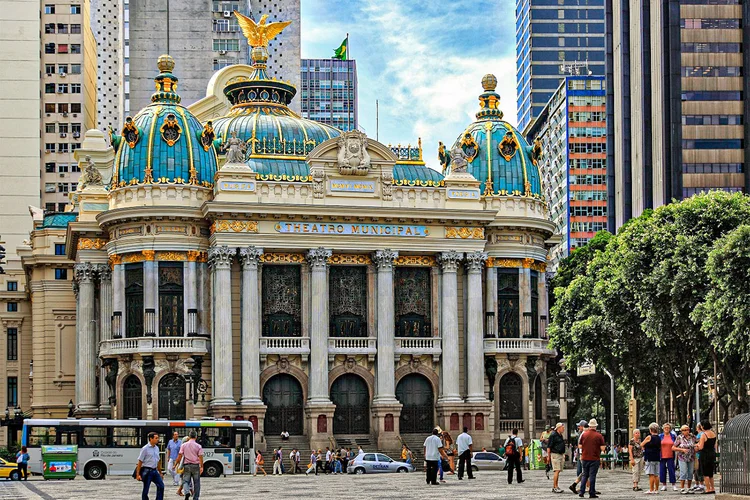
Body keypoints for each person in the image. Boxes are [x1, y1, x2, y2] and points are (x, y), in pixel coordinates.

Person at [578, 418, 605, 499]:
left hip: (585, 457)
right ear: (596, 426)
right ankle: (591, 492)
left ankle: (582, 492)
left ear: (589, 426)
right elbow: (603, 448)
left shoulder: (584, 435)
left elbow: (579, 446)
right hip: (594, 458)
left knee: (585, 475)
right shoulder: (599, 436)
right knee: (592, 475)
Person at [135, 431, 165, 500]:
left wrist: (160, 472)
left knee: (161, 486)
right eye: (156, 438)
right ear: (151, 439)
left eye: (158, 438)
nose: (158, 439)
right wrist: (138, 474)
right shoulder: (145, 448)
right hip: (147, 471)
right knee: (146, 489)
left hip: (154, 471)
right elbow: (140, 461)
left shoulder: (157, 448)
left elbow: (158, 461)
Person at [176, 430, 204, 500]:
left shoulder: (184, 445)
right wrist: (201, 466)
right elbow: (200, 456)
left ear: (189, 436)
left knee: (185, 481)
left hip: (187, 465)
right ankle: (195, 498)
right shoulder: (198, 446)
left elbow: (180, 455)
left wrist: (176, 463)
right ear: (196, 437)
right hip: (195, 466)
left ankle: (187, 491)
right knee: (196, 483)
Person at [673, 424, 696, 493]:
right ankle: (682, 488)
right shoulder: (679, 438)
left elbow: (697, 443)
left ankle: (688, 488)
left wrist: (696, 447)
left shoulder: (692, 437)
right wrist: (682, 450)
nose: (686, 431)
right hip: (682, 457)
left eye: (687, 429)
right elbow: (673, 447)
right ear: (682, 431)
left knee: (690, 472)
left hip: (691, 457)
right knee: (683, 472)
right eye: (684, 430)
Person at [695, 421, 717, 494]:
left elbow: (701, 447)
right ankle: (713, 488)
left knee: (705, 473)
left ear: (703, 426)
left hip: (704, 455)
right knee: (710, 473)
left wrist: (696, 446)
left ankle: (708, 489)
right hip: (712, 454)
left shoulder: (704, 435)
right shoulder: (713, 433)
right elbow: (715, 445)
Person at [641, 422, 663, 495]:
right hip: (657, 457)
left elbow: (641, 444)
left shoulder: (649, 437)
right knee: (656, 474)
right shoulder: (659, 438)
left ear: (650, 430)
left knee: (651, 474)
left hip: (650, 457)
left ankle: (651, 489)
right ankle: (656, 489)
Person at [569, 420, 589, 494]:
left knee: (585, 471)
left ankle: (584, 486)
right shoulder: (582, 434)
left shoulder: (583, 434)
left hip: (582, 454)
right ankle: (576, 484)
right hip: (583, 454)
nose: (578, 427)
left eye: (579, 426)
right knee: (584, 471)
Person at [548, 422, 567, 493]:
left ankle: (556, 485)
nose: (564, 429)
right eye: (563, 427)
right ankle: (554, 486)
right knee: (556, 470)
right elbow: (549, 446)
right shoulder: (553, 435)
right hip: (555, 454)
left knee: (558, 471)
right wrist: (548, 456)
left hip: (560, 454)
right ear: (559, 428)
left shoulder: (560, 435)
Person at [659, 423, 678, 491]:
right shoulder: (660, 436)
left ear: (670, 429)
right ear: (663, 429)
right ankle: (664, 485)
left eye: (668, 427)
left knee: (672, 470)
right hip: (662, 455)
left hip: (671, 455)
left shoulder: (673, 436)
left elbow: (676, 444)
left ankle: (673, 484)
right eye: (665, 427)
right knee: (662, 470)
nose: (666, 429)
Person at [693, 424, 705, 492]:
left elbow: (699, 444)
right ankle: (697, 483)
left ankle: (701, 484)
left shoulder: (701, 434)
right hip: (696, 454)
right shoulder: (699, 434)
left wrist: (695, 445)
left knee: (699, 469)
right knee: (696, 469)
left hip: (699, 454)